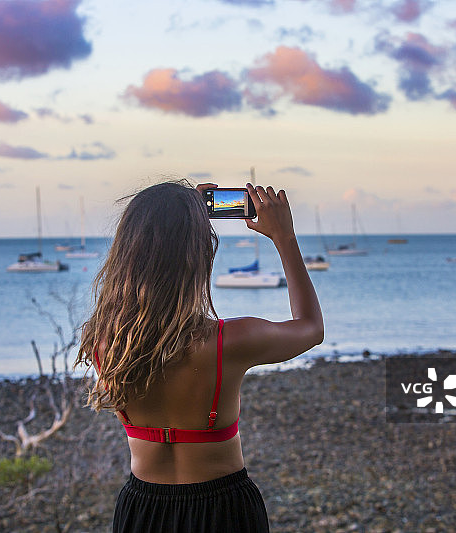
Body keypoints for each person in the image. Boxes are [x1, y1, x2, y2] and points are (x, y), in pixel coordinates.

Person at [76, 179, 323, 533]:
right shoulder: (228, 341)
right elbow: (311, 328)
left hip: (141, 511)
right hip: (223, 510)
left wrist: (182, 208)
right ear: (199, 258)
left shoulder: (107, 342)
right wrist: (284, 238)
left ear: (126, 253)